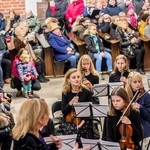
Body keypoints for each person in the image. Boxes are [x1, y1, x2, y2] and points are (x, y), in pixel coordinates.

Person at [12, 98, 91, 150]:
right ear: (39, 119)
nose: (49, 115)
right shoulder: (27, 141)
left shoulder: (35, 132)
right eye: (47, 112)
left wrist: (54, 146)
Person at [61, 68, 92, 137]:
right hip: (69, 120)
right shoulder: (65, 92)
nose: (76, 79)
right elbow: (64, 111)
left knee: (79, 132)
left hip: (84, 120)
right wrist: (71, 103)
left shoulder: (86, 92)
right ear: (68, 79)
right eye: (74, 77)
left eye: (78, 77)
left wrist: (81, 124)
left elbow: (89, 112)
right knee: (71, 131)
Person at [125, 71, 150, 150]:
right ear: (130, 83)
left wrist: (141, 108)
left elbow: (148, 116)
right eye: (135, 82)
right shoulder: (125, 95)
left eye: (139, 82)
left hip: (142, 125)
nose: (138, 84)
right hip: (129, 125)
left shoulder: (146, 95)